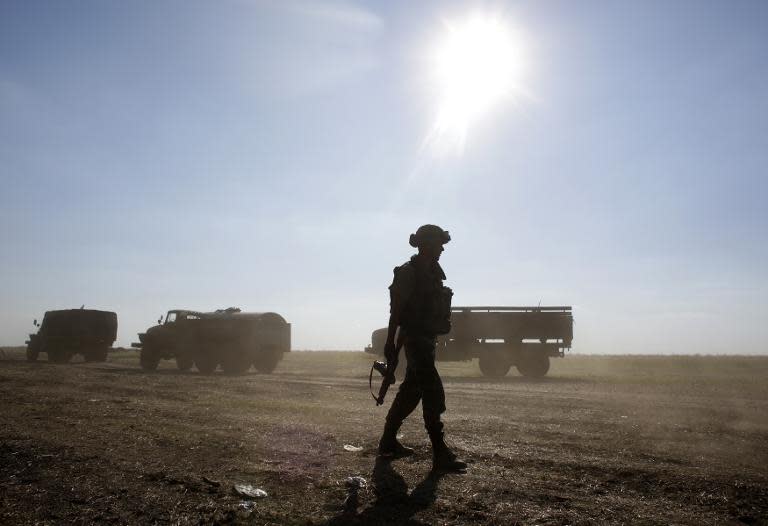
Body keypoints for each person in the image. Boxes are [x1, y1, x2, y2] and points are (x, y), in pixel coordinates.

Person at [377, 224, 467, 473]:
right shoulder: (408, 272)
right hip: (414, 339)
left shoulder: (433, 273)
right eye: (438, 244)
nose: (441, 249)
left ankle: (387, 442)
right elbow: (396, 309)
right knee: (432, 390)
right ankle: (440, 454)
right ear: (426, 244)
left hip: (427, 339)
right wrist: (389, 342)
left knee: (411, 391)